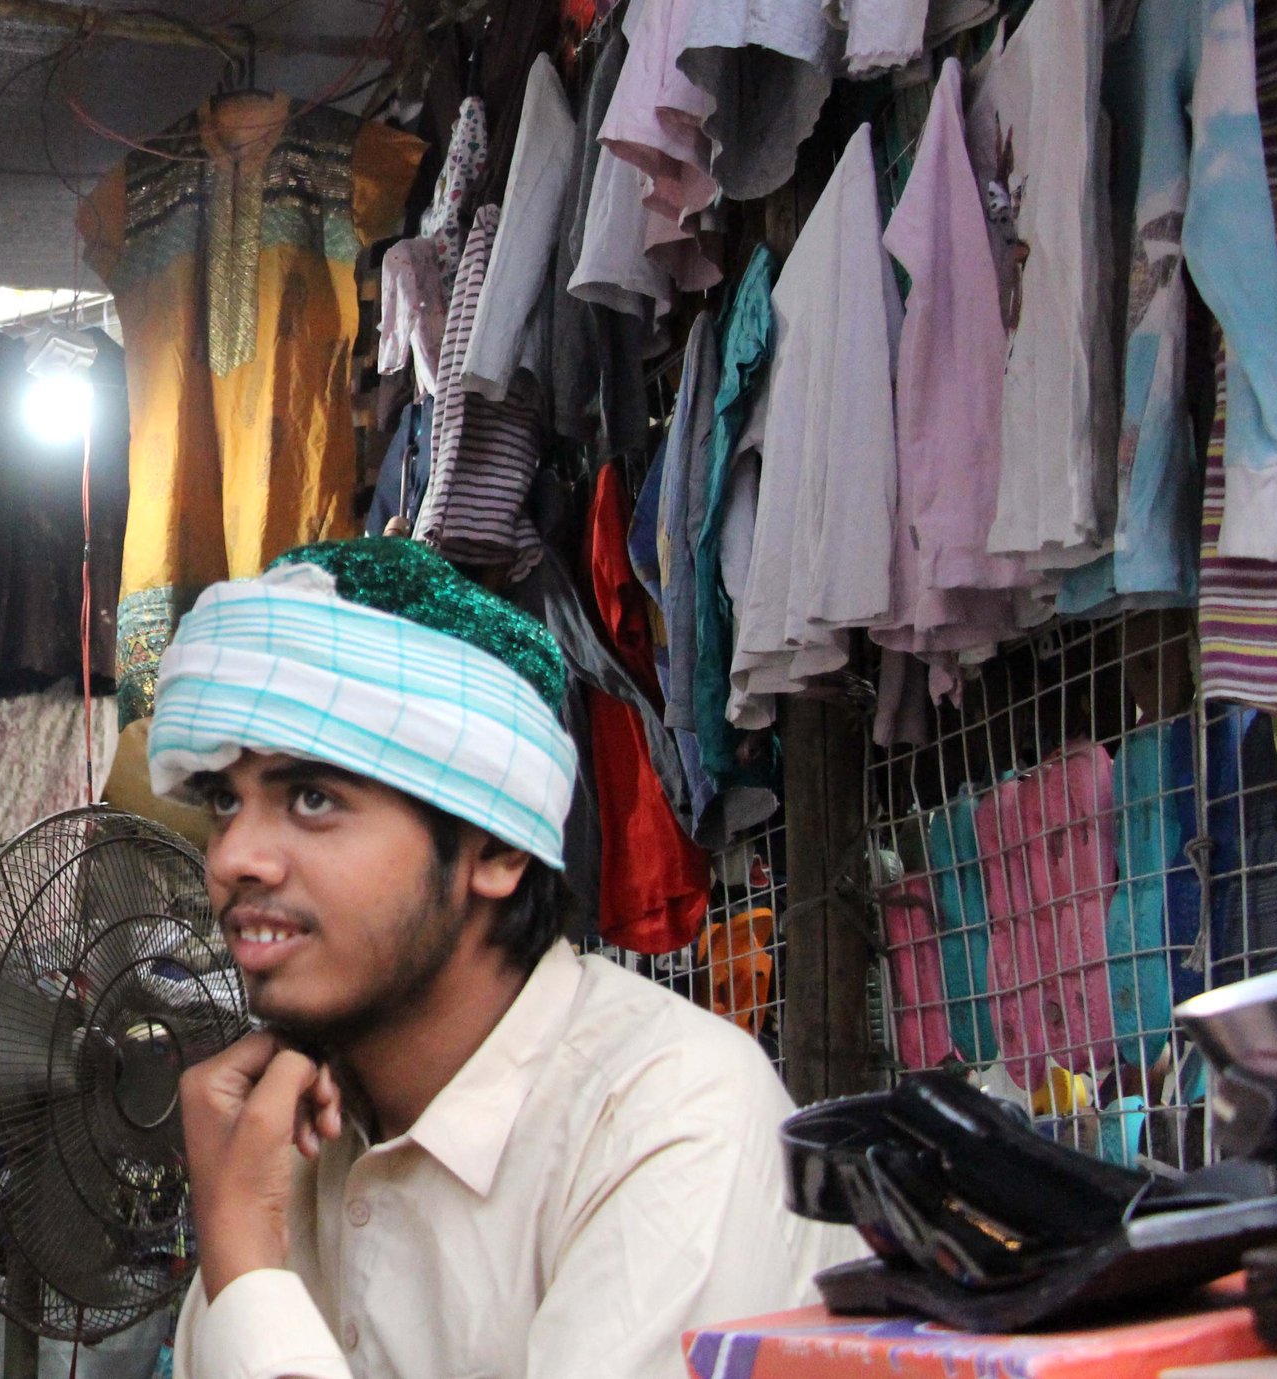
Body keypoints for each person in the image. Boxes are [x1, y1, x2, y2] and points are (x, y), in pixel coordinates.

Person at [152, 536, 862, 1379]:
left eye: (312, 798)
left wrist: (246, 1266)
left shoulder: (667, 1114)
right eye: (225, 801)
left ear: (494, 847)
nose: (234, 856)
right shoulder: (279, 1150)